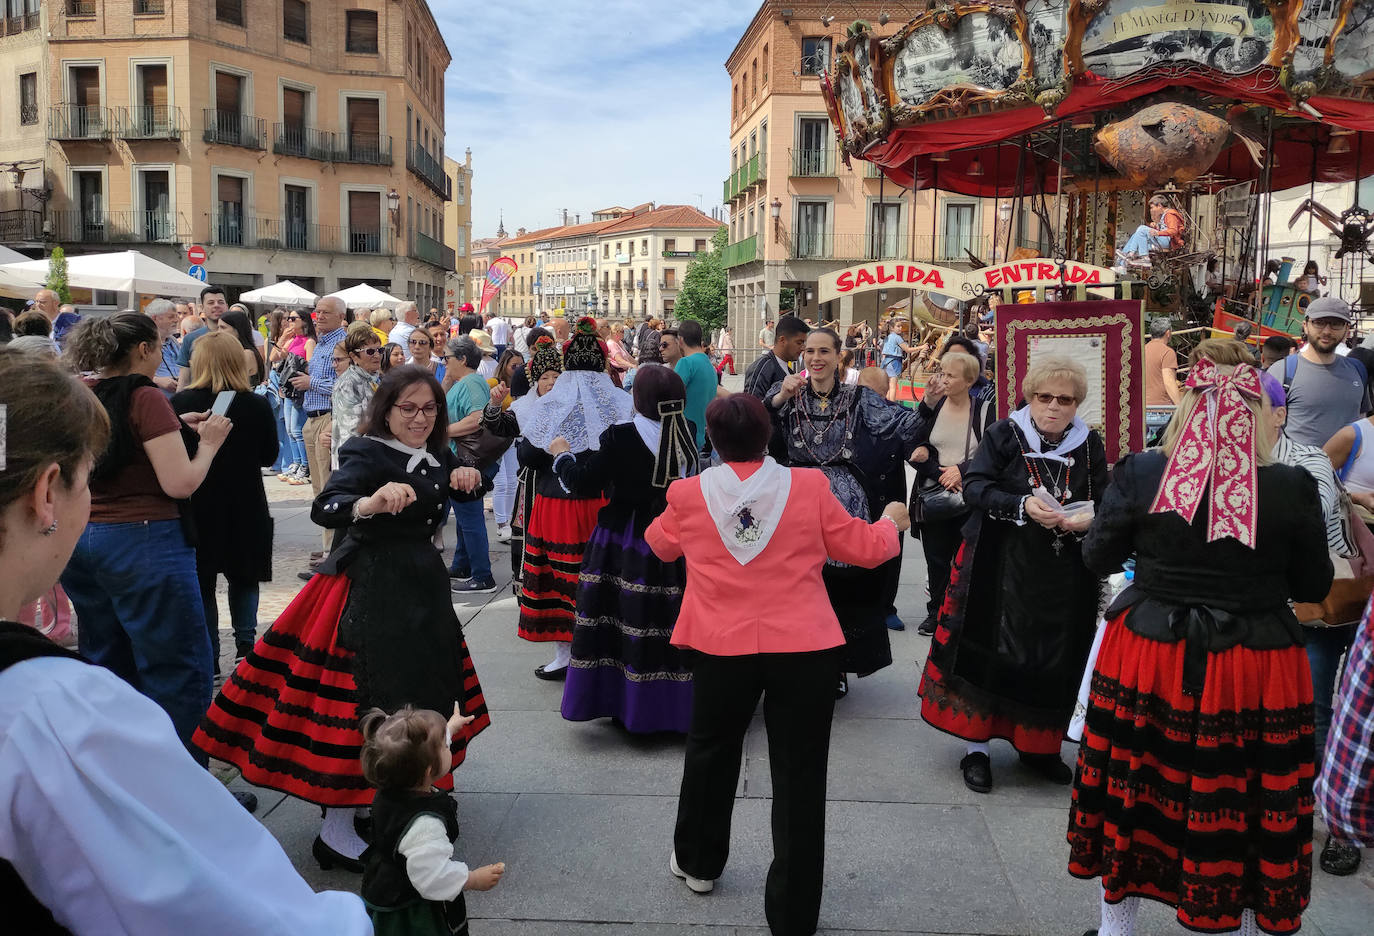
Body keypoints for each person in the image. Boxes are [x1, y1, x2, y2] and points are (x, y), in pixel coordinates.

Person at [0, 352, 376, 936]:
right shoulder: (52, 712)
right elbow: (233, 910)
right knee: (180, 669)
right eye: (89, 476)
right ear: (50, 491)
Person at [1068, 340, 1333, 936]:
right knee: (1240, 794)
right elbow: (1314, 582)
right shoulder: (1291, 485)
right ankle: (1229, 926)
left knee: (1134, 782)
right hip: (1255, 659)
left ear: (1189, 400)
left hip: (1152, 651)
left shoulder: (1140, 470)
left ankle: (1116, 930)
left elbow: (1096, 556)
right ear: (1258, 408)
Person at [195, 366, 492, 872]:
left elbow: (443, 492)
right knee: (361, 706)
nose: (420, 418)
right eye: (409, 408)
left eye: (430, 409)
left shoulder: (437, 451)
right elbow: (326, 506)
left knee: (417, 696)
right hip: (366, 592)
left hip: (420, 592)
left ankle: (395, 802)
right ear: (388, 409)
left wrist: (467, 481)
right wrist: (368, 503)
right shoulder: (365, 450)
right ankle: (335, 830)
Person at [647, 393, 909, 935]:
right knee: (800, 772)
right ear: (769, 435)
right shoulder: (809, 486)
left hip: (721, 643)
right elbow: (862, 549)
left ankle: (698, 860)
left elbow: (660, 546)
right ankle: (793, 913)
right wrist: (890, 521)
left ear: (713, 440)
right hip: (804, 646)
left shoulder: (690, 493)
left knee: (710, 751)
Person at [919, 356, 1108, 793]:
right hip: (998, 561)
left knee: (1051, 654)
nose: (1054, 406)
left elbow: (1106, 494)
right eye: (1044, 397)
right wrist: (1021, 505)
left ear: (1077, 403)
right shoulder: (1006, 434)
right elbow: (976, 486)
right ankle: (977, 750)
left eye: (1065, 399)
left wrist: (1091, 515)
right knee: (988, 648)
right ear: (1030, 397)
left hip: (1063, 569)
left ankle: (1038, 747)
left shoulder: (1087, 443)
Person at [57, 313, 240, 765]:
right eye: (159, 344)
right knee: (177, 667)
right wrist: (210, 442)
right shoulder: (146, 397)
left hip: (85, 538)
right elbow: (181, 483)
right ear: (142, 350)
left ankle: (126, 771)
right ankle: (186, 785)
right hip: (146, 541)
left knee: (108, 661)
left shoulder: (81, 394)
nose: (163, 351)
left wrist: (177, 426)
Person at [766, 328, 927, 697]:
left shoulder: (858, 398)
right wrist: (778, 398)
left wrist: (930, 404)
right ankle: (793, 657)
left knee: (839, 585)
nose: (816, 358)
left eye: (824, 351)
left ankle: (836, 663)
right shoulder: (789, 394)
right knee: (797, 583)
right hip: (796, 497)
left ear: (839, 356)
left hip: (845, 499)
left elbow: (906, 425)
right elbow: (753, 425)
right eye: (809, 351)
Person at [549, 364, 699, 733]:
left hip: (627, 540)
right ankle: (676, 705)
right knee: (669, 618)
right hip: (678, 537)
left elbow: (582, 483)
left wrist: (562, 454)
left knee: (624, 618)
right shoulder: (689, 430)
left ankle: (627, 703)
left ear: (638, 398)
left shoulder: (621, 436)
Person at [485, 322, 632, 678]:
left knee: (559, 578)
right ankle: (605, 651)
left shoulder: (552, 405)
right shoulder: (621, 402)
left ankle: (566, 655)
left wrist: (560, 453)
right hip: (604, 503)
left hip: (558, 505)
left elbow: (530, 457)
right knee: (601, 576)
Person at [171, 332, 278, 675]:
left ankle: (211, 654)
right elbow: (269, 455)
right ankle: (246, 650)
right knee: (244, 578)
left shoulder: (180, 403)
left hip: (199, 502)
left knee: (202, 581)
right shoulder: (257, 404)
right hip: (245, 501)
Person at [359, 705, 505, 936]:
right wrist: (473, 879)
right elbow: (432, 876)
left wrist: (451, 727)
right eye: (445, 745)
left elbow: (419, 749)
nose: (448, 746)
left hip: (383, 883)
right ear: (428, 771)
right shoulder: (425, 824)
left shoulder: (393, 784)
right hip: (411, 909)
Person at [907, 351, 996, 637]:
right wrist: (939, 471)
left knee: (969, 558)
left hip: (970, 494)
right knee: (935, 558)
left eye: (950, 375)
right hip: (934, 492)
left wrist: (962, 470)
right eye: (942, 373)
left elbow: (994, 454)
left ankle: (963, 614)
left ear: (969, 380)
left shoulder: (984, 410)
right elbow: (911, 445)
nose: (943, 379)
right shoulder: (933, 406)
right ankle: (936, 612)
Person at [485, 335, 564, 588]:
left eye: (556, 377)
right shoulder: (525, 409)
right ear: (535, 382)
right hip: (531, 486)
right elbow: (496, 426)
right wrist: (495, 403)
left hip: (563, 486)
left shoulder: (574, 407)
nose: (551, 382)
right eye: (544, 378)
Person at [289, 296, 348, 568]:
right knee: (317, 486)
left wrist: (311, 382)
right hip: (311, 417)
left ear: (340, 316)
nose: (319, 316)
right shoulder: (322, 342)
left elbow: (342, 383)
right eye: (317, 312)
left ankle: (332, 550)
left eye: (325, 313)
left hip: (327, 417)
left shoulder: (342, 344)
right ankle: (327, 544)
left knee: (327, 485)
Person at [1266, 297, 1369, 447]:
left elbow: (1361, 423)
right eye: (1319, 322)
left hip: (1349, 468)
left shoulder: (1358, 370)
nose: (1327, 331)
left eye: (1336, 324)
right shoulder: (1282, 371)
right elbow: (1266, 430)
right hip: (1299, 469)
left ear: (1347, 329)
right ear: (1305, 326)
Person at [444, 335, 499, 595]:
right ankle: (463, 566)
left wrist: (444, 432)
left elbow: (478, 418)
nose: (444, 362)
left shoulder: (472, 382)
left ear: (463, 359)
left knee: (470, 518)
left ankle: (482, 575)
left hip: (468, 462)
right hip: (465, 460)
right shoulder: (466, 381)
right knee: (466, 518)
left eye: (447, 358)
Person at [1317, 614, 1374, 849]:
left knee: (1358, 714)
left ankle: (1346, 823)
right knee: (1315, 711)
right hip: (1320, 608)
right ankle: (1337, 815)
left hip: (1365, 608)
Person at [272, 307, 316, 487]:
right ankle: (297, 463)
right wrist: (283, 338)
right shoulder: (291, 340)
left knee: (298, 430)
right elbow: (274, 357)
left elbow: (311, 367)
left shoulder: (309, 341)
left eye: (293, 318)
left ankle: (305, 466)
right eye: (288, 319)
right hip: (288, 390)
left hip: (300, 391)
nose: (289, 322)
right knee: (290, 430)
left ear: (304, 321)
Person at [331, 323, 384, 469]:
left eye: (380, 350)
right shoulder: (348, 383)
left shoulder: (376, 378)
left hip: (377, 456)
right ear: (354, 356)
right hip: (356, 461)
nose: (377, 355)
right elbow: (351, 431)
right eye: (370, 352)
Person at [489, 349, 525, 542]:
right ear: (504, 365)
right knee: (501, 482)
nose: (518, 369)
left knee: (512, 481)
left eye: (521, 365)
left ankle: (509, 523)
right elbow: (489, 409)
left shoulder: (523, 384)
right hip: (497, 438)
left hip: (514, 438)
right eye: (514, 365)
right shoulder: (494, 383)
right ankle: (501, 523)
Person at [675, 320, 718, 453]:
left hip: (685, 435)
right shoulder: (708, 364)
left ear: (680, 340)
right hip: (701, 435)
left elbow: (670, 395)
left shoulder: (686, 363)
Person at [744, 314, 808, 402]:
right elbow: (750, 407)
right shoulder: (761, 368)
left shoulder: (789, 371)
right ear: (782, 340)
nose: (803, 348)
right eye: (799, 343)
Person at [176, 285, 230, 389]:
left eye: (220, 302)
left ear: (227, 306)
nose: (216, 305)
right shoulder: (191, 339)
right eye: (210, 303)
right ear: (202, 308)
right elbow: (184, 379)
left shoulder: (237, 336)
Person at [1117, 194, 1185, 263]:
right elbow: (1164, 228)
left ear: (1159, 206)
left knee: (1141, 228)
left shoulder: (1170, 214)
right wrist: (1156, 227)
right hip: (1161, 240)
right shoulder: (1164, 215)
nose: (1151, 210)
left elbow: (1173, 231)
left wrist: (1158, 233)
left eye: (1152, 207)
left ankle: (1134, 254)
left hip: (1166, 242)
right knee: (1136, 235)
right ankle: (1122, 263)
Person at [216, 308, 267, 387]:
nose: (218, 332)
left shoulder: (246, 354)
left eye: (223, 327)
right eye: (218, 327)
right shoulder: (232, 352)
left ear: (238, 330)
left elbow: (230, 384)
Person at [146, 298, 182, 394]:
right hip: (156, 399)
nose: (176, 320)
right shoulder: (143, 343)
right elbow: (129, 373)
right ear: (155, 318)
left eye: (176, 316)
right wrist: (157, 380)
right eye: (171, 317)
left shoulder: (173, 341)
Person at [1143, 316, 1181, 406]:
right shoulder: (1167, 352)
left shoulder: (1141, 350)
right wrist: (1180, 407)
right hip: (1161, 409)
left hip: (1141, 407)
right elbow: (1169, 382)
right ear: (1168, 333)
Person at [881, 318, 913, 401]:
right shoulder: (897, 338)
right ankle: (892, 405)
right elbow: (907, 349)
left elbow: (884, 353)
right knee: (893, 386)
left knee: (888, 386)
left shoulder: (888, 337)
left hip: (886, 363)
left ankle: (887, 404)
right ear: (892, 328)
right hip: (894, 362)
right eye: (898, 326)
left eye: (901, 326)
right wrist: (921, 347)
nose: (900, 328)